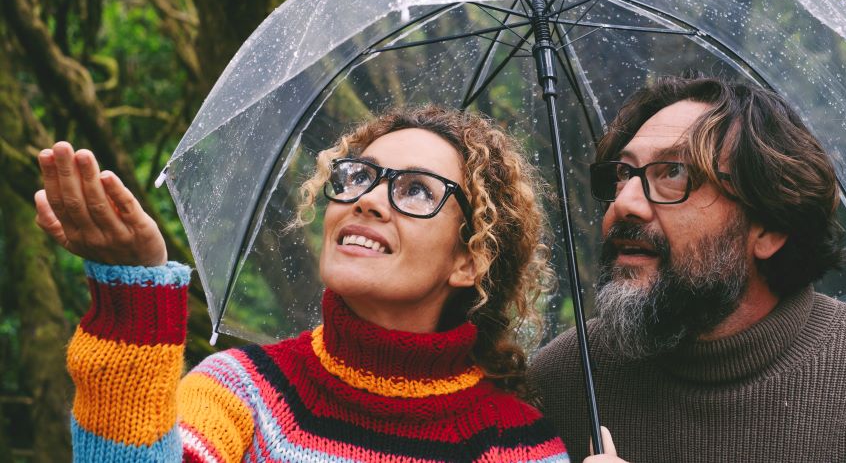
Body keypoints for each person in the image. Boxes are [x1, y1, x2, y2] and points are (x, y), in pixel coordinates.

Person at [35, 106, 570, 462]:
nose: (366, 199)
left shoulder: (521, 446)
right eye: (358, 175)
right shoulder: (242, 391)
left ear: (470, 260)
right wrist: (136, 297)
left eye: (414, 190)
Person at [527, 75, 846, 462]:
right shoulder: (561, 381)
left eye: (674, 174)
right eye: (623, 174)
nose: (623, 203)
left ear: (769, 228)